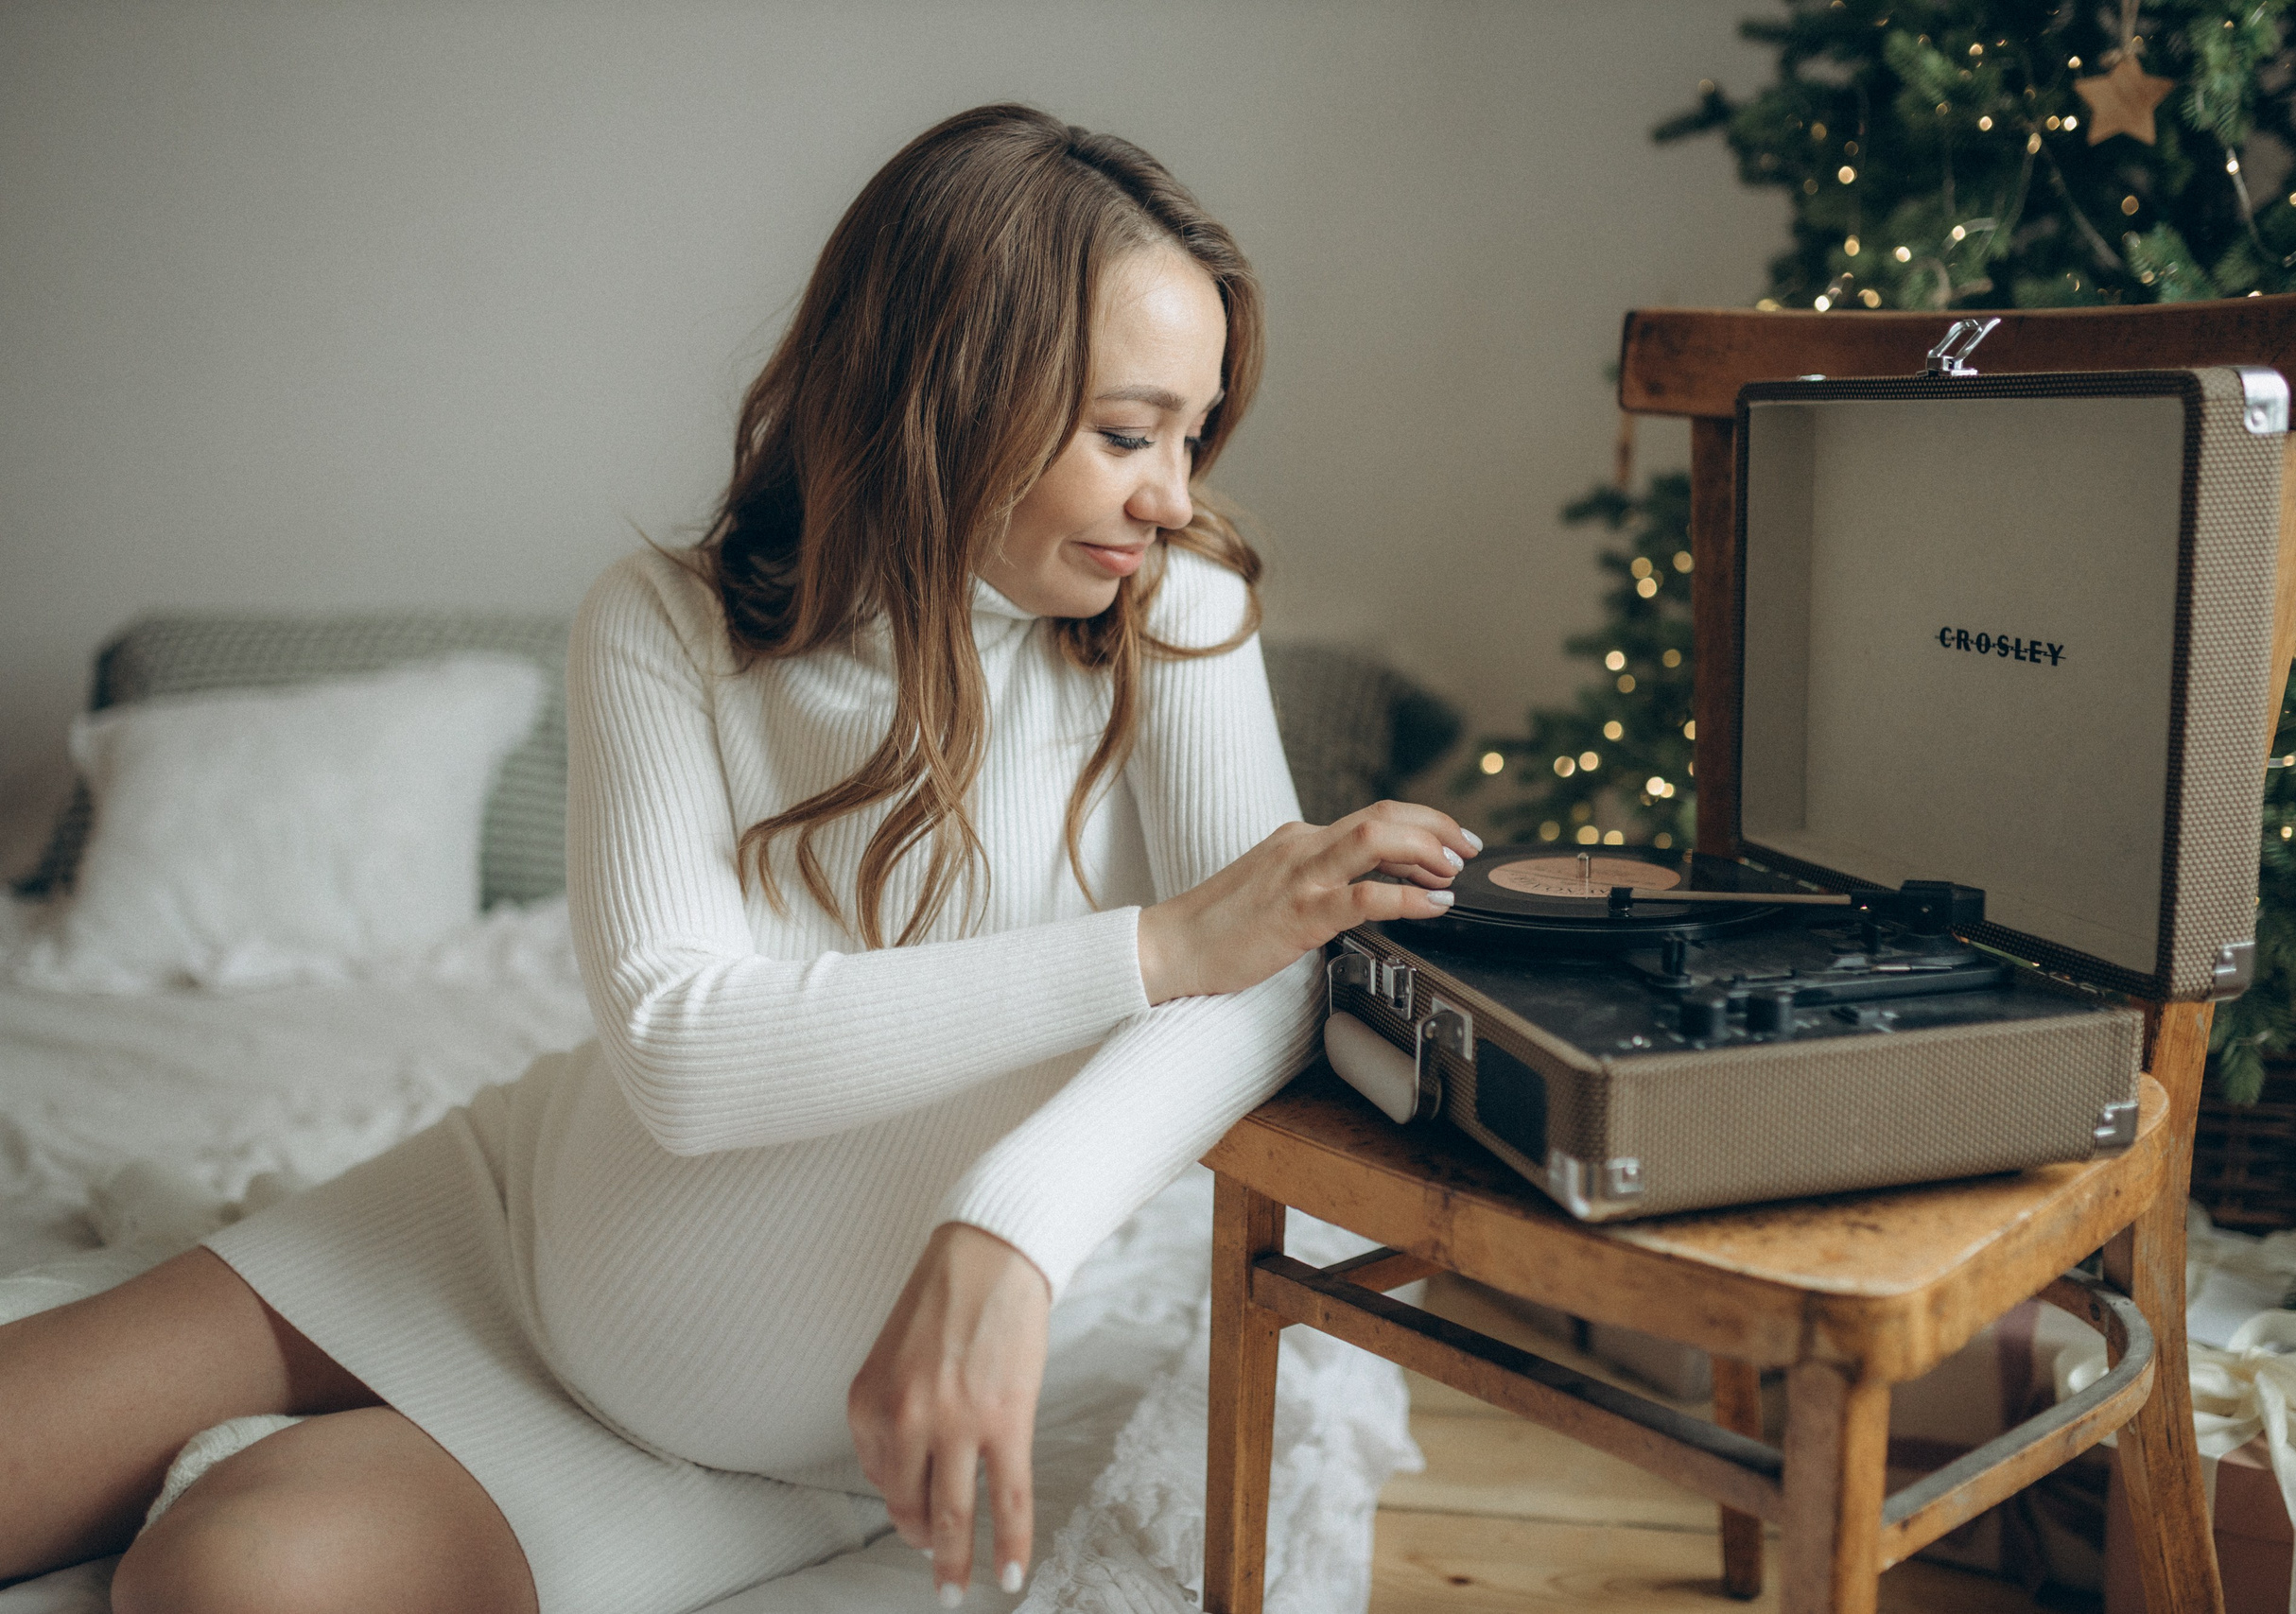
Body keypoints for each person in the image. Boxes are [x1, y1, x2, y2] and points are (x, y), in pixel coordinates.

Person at [0, 103, 1475, 1614]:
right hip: (483, 1236)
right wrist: (1157, 946)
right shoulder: (664, 619)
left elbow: (1276, 984)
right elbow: (684, 1057)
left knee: (221, 1585)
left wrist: (1009, 1227)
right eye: (1122, 433)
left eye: (1190, 432)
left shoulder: (1176, 610)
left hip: (739, 1459)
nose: (1170, 491)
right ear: (952, 387)